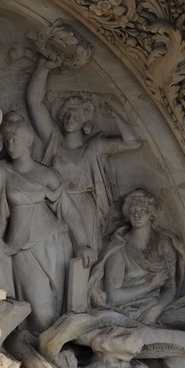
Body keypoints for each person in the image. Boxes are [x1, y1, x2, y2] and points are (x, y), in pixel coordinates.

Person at [25, 53, 143, 256]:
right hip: (55, 206)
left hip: (84, 208)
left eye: (76, 115)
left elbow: (132, 142)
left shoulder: (94, 147)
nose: (70, 118)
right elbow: (34, 101)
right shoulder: (54, 141)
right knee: (53, 257)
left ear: (85, 120)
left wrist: (114, 115)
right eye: (67, 114)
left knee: (83, 260)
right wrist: (43, 68)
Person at [0, 113, 93, 332]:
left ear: (28, 140)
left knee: (56, 309)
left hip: (54, 243)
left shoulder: (47, 175)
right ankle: (37, 354)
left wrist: (83, 243)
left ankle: (53, 355)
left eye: (15, 139)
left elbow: (69, 212)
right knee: (41, 312)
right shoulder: (1, 169)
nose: (10, 144)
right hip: (21, 247)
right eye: (6, 140)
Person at [90, 188, 185, 326]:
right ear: (127, 214)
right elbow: (113, 297)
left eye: (143, 211)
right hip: (127, 308)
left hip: (157, 306)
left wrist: (157, 309)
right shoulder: (118, 247)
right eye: (133, 211)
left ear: (152, 214)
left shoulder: (164, 244)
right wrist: (150, 285)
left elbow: (170, 287)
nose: (137, 215)